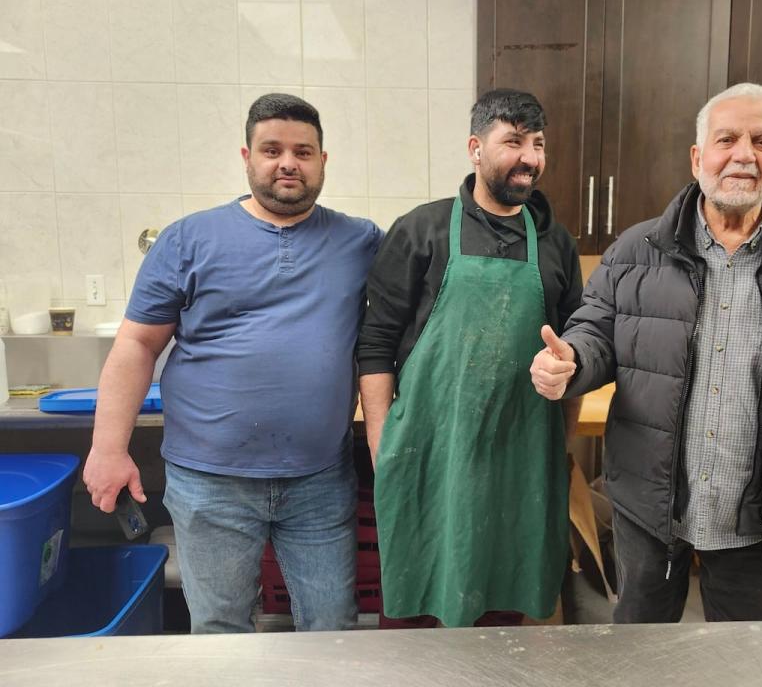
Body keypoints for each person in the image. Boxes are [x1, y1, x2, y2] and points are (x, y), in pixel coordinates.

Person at [530, 83, 762, 622]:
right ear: (698, 157)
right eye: (726, 139)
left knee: (739, 665)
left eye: (761, 141)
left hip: (760, 517)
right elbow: (594, 333)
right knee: (641, 657)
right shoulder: (635, 252)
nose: (742, 155)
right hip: (650, 509)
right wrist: (569, 362)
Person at [82, 93, 383, 633]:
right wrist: (108, 448)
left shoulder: (360, 241)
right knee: (220, 630)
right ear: (247, 156)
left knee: (335, 629)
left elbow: (404, 319)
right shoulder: (187, 239)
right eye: (272, 149)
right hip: (209, 481)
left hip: (319, 476)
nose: (288, 162)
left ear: (322, 161)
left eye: (303, 151)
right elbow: (136, 347)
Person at [358, 88, 583, 628]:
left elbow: (576, 355)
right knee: (418, 615)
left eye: (538, 143)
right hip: (430, 452)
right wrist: (384, 448)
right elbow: (375, 346)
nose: (530, 156)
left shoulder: (556, 243)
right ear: (475, 149)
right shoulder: (423, 230)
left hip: (522, 456)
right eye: (513, 141)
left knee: (501, 616)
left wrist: (558, 449)